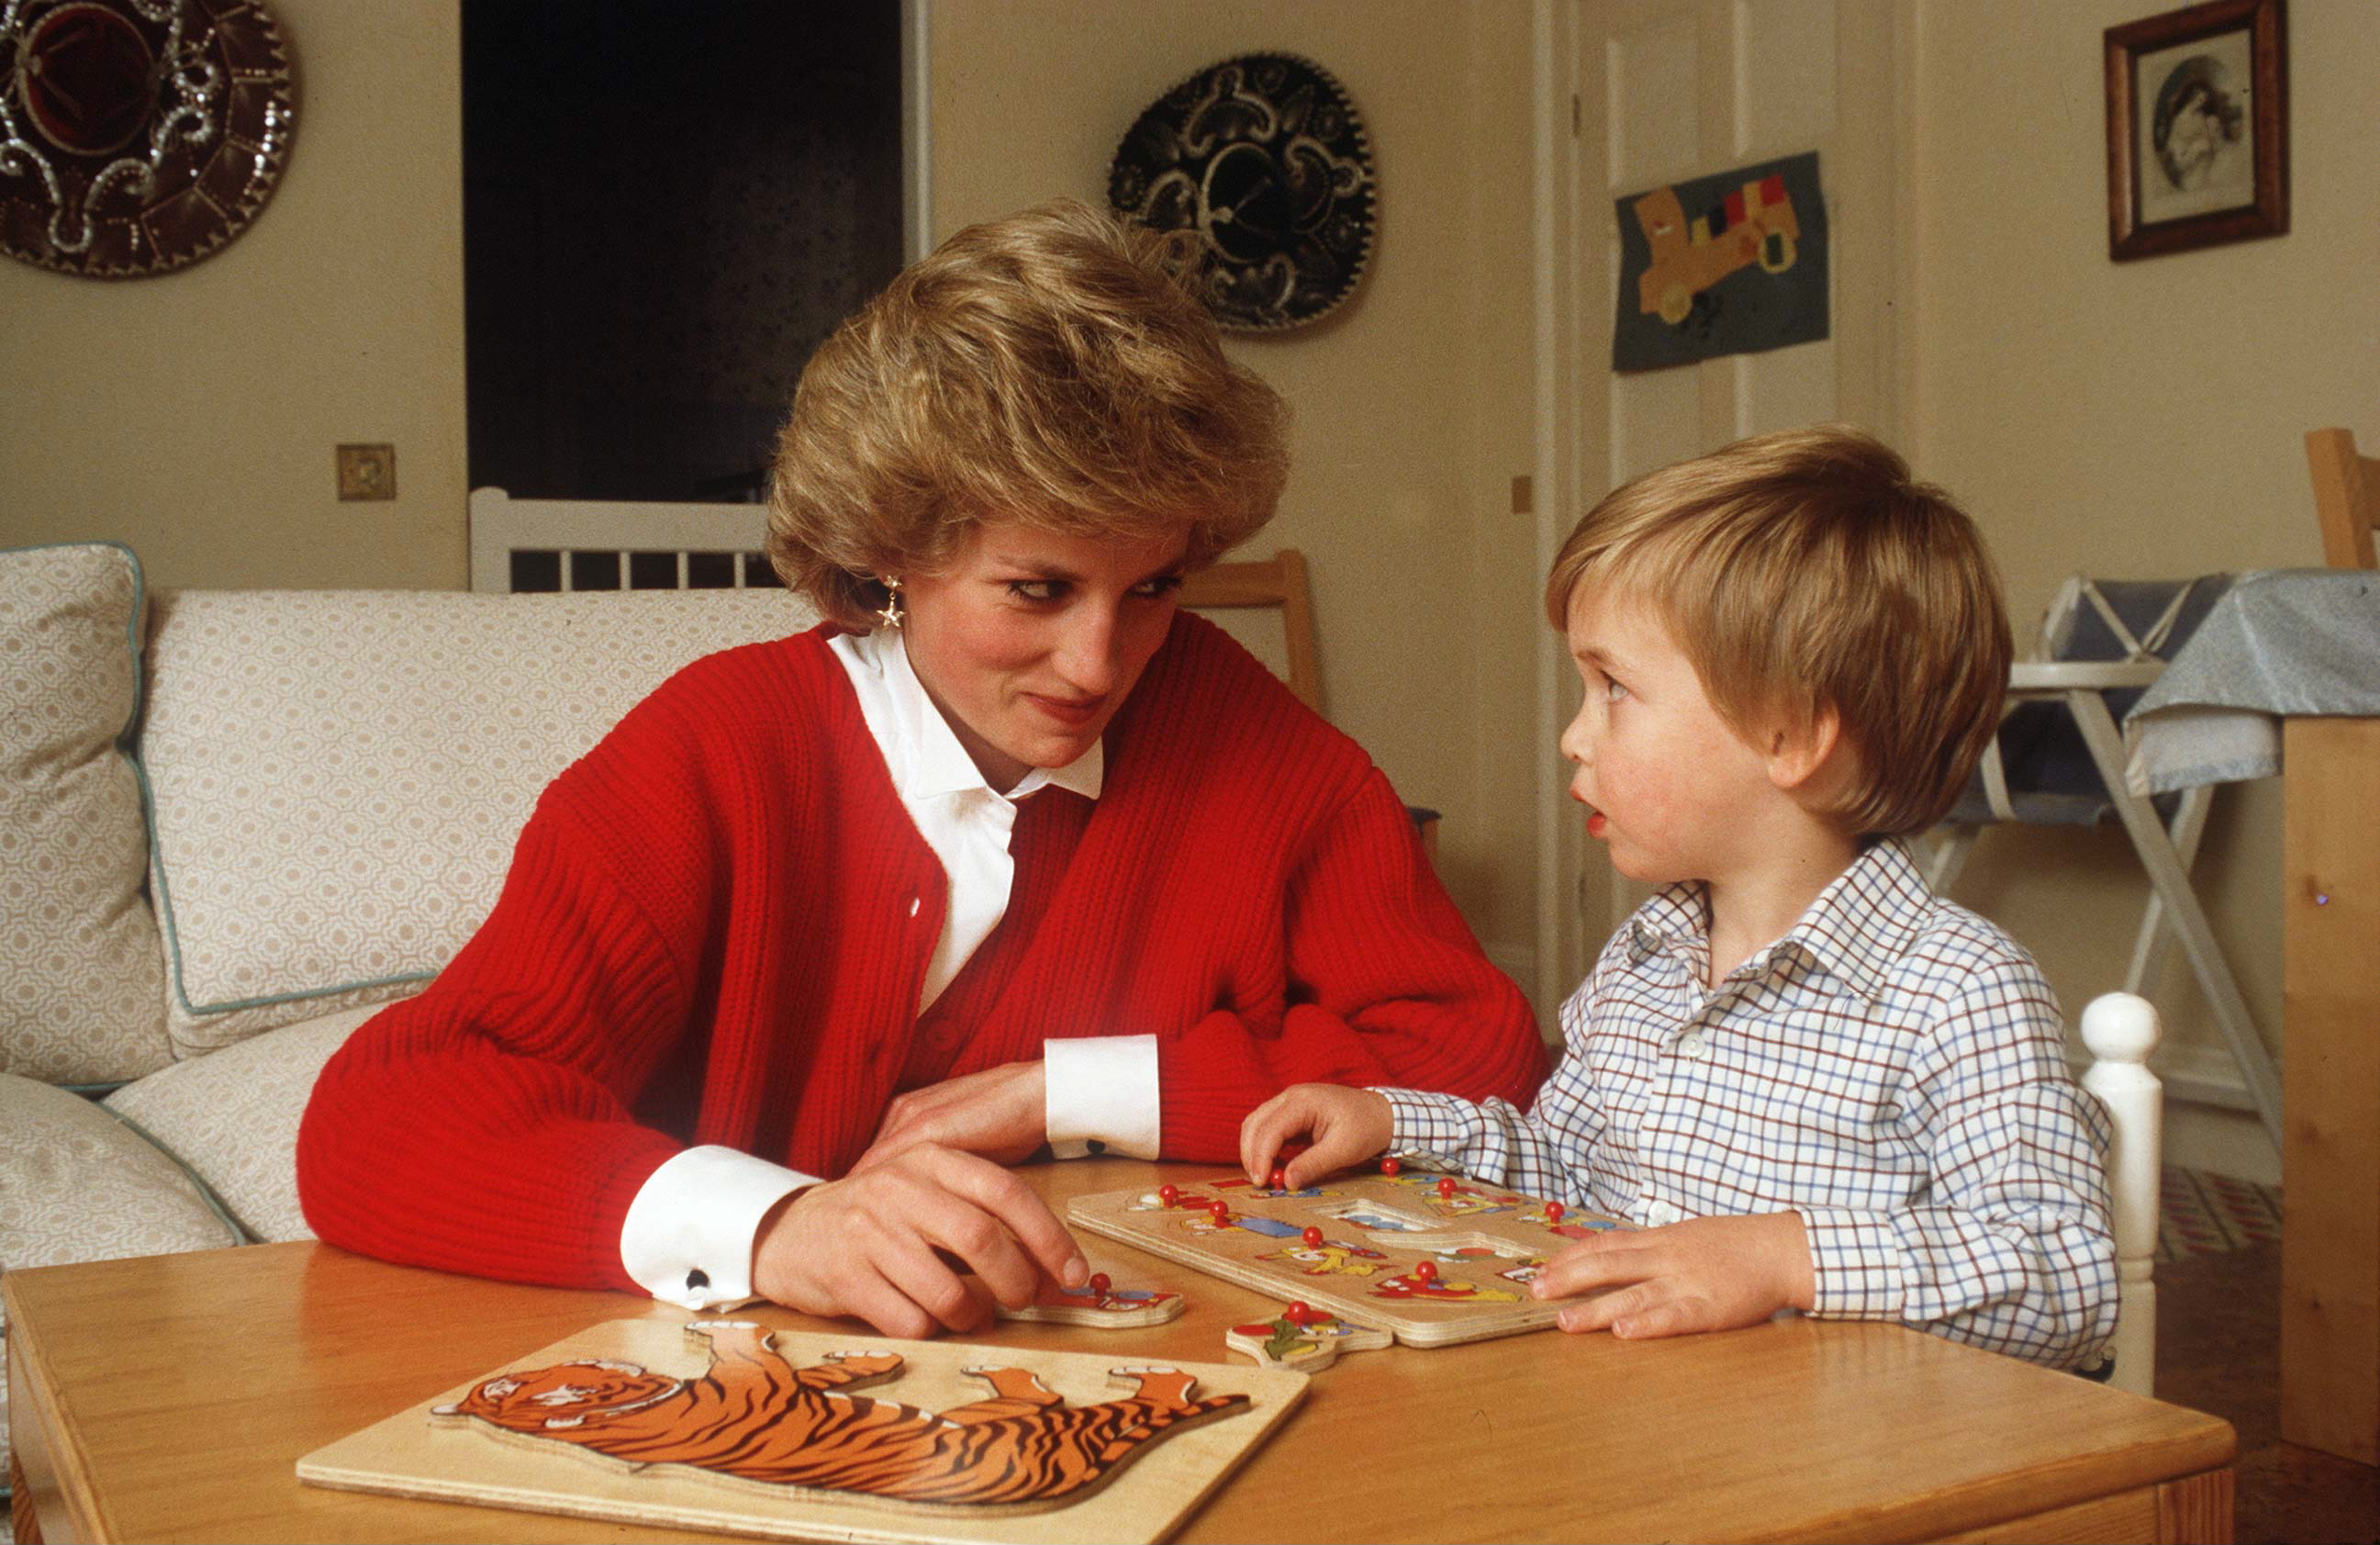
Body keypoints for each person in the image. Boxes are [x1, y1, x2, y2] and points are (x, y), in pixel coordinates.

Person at [297, 200, 1545, 1340]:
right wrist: (779, 1225)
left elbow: (1477, 1056)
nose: (1100, 656)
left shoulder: (1233, 725)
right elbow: (383, 1119)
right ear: (890, 549)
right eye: (1037, 589)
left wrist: (1062, 1089)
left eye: (1153, 585)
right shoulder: (719, 750)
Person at [1242, 427, 2118, 1369]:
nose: (1575, 737)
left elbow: (2065, 1277)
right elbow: (1566, 1174)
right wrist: (1396, 1120)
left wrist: (1787, 1258)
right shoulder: (1642, 960)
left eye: (1613, 689)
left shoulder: (1956, 991)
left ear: (1788, 733)